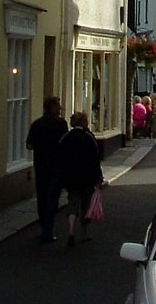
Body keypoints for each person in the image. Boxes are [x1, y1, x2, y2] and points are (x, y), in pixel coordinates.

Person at [57, 111, 105, 247]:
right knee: (86, 205)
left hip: (71, 178)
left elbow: (60, 158)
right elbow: (95, 159)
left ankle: (71, 229)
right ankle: (84, 232)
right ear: (83, 122)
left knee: (73, 202)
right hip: (87, 178)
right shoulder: (89, 137)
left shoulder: (66, 137)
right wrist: (98, 177)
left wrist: (62, 176)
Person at [26, 95, 68, 243]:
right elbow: (65, 145)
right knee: (52, 198)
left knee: (42, 197)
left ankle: (44, 226)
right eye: (58, 106)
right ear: (51, 107)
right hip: (56, 166)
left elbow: (29, 145)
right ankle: (47, 231)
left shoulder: (36, 124)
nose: (60, 108)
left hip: (40, 165)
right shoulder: (61, 124)